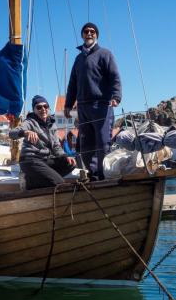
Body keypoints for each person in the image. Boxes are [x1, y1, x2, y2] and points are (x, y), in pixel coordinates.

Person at [64, 22, 121, 180]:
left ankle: (105, 174)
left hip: (101, 105)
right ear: (82, 35)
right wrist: (68, 105)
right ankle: (94, 174)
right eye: (86, 31)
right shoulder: (78, 59)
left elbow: (114, 77)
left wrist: (116, 97)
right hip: (83, 107)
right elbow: (72, 84)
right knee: (86, 145)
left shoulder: (105, 54)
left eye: (92, 31)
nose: (89, 33)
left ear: (96, 35)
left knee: (103, 143)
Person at [9, 95, 77, 190]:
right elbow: (12, 133)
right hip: (30, 160)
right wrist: (25, 132)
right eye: (39, 107)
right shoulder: (29, 122)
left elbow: (56, 146)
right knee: (59, 182)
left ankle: (33, 181)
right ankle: (51, 180)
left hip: (45, 160)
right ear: (34, 110)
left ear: (48, 108)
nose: (43, 109)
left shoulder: (52, 124)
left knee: (71, 163)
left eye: (45, 106)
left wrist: (65, 156)